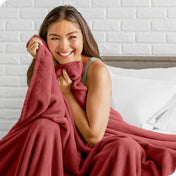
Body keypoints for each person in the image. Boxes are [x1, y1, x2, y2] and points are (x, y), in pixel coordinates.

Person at [27, 5, 112, 146]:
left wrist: (66, 93)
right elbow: (37, 113)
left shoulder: (96, 70)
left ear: (83, 38)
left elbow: (94, 136)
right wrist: (41, 60)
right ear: (45, 41)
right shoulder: (49, 65)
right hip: (59, 139)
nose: (64, 46)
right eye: (55, 38)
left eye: (72, 37)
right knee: (41, 127)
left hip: (100, 139)